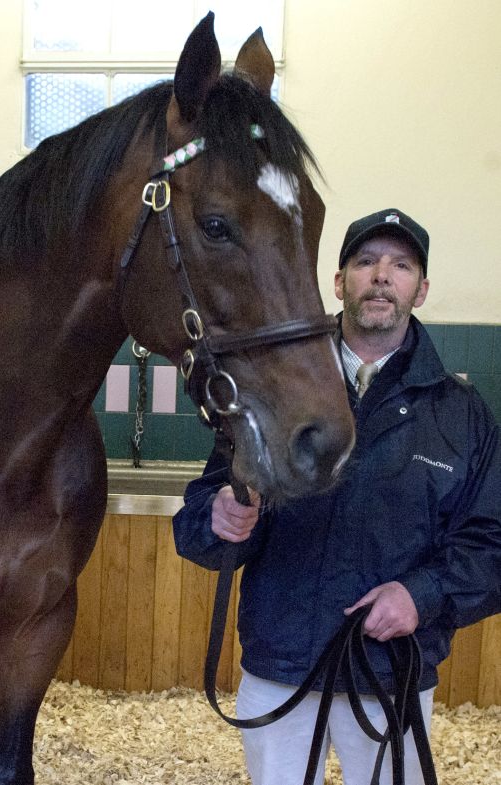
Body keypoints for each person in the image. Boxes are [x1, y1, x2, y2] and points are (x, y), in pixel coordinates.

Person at [173, 208, 501, 785]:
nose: (381, 276)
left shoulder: (462, 415)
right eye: (366, 261)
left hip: (391, 673)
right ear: (338, 281)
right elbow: (204, 510)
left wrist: (420, 595)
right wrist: (216, 516)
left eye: (400, 266)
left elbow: (493, 545)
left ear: (420, 291)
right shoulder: (271, 393)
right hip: (282, 668)